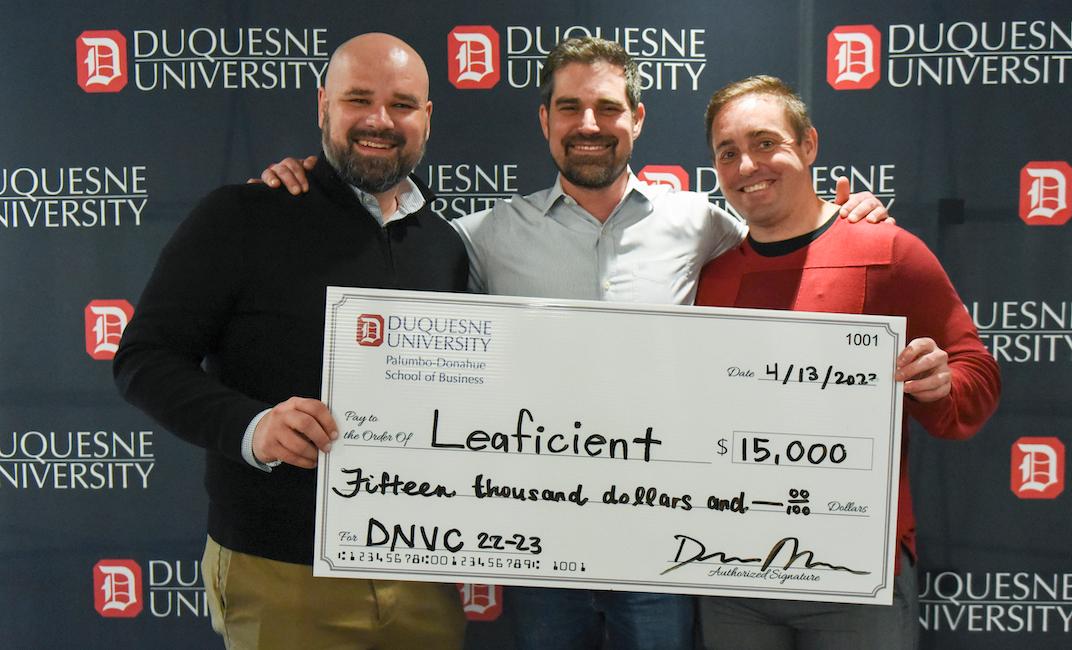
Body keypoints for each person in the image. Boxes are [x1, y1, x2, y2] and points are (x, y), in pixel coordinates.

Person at [259, 37, 890, 650]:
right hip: (541, 547)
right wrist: (309, 188)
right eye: (570, 108)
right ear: (544, 121)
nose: (590, 123)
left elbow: (786, 237)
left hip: (663, 543)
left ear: (637, 119)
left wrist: (848, 218)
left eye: (608, 108)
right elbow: (391, 251)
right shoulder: (484, 237)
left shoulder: (702, 225)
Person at [112, 33, 468, 649]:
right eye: (359, 99)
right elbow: (145, 358)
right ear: (323, 105)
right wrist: (254, 428)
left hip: (422, 571)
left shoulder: (445, 245)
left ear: (427, 118)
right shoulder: (243, 215)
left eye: (402, 104)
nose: (380, 121)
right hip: (281, 571)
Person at [695, 75, 1001, 649]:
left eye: (766, 143)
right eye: (728, 153)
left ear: (808, 145)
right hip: (730, 572)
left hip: (855, 573)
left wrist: (941, 383)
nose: (746, 166)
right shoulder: (712, 275)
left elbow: (976, 373)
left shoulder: (887, 250)